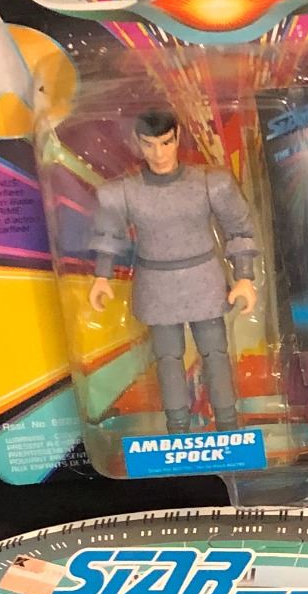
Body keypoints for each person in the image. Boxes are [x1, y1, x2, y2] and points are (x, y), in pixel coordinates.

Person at [87, 109, 259, 435]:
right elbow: (109, 234)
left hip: (203, 278)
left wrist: (244, 276)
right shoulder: (125, 191)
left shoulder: (209, 183)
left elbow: (238, 227)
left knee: (215, 354)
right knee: (167, 359)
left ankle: (227, 423)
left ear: (178, 137)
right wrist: (102, 276)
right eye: (149, 145)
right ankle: (177, 429)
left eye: (166, 143)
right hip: (155, 283)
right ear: (138, 143)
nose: (159, 153)